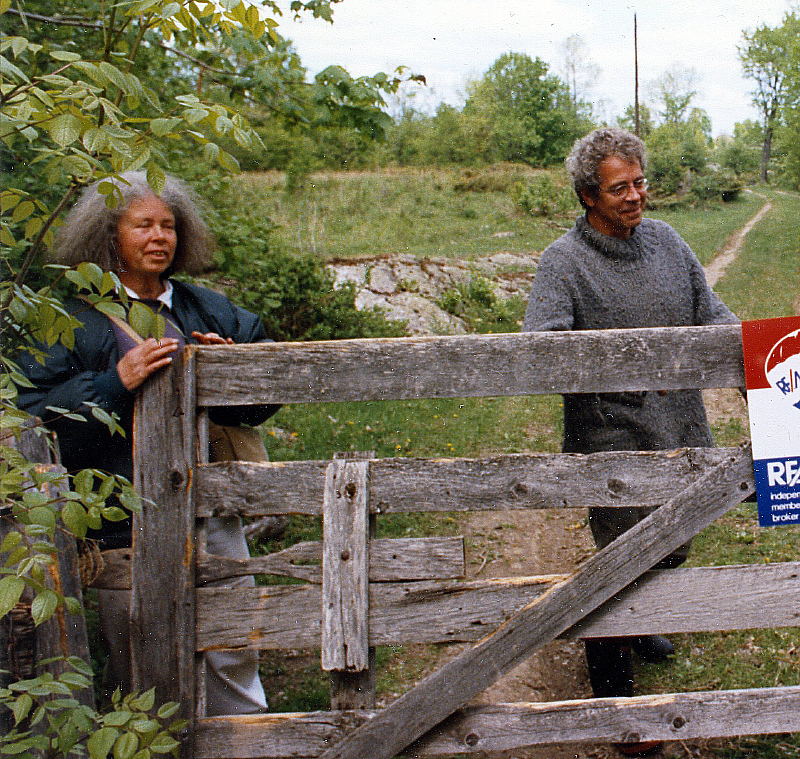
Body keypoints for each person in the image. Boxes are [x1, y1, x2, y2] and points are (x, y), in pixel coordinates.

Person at [19, 171, 276, 716]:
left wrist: (233, 371)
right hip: (120, 522)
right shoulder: (70, 319)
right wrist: (115, 383)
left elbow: (273, 382)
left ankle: (249, 742)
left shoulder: (208, 309)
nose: (160, 237)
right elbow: (31, 414)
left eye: (168, 226)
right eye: (143, 226)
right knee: (139, 653)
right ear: (108, 235)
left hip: (213, 513)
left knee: (234, 643)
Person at [523, 128, 737, 757]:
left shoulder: (669, 242)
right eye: (621, 188)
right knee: (616, 561)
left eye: (640, 182)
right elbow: (543, 345)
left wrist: (745, 357)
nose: (637, 195)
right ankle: (613, 698)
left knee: (671, 544)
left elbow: (712, 311)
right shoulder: (563, 261)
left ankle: (643, 630)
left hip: (680, 425)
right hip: (609, 437)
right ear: (588, 195)